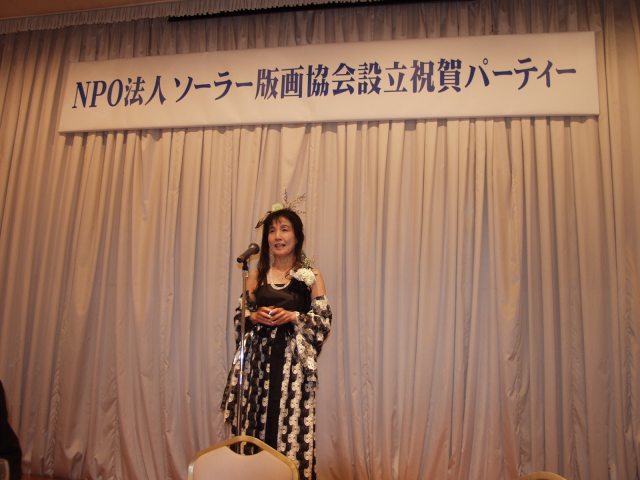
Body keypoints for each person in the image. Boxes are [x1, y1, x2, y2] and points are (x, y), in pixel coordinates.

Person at [221, 203, 332, 480]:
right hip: (257, 366)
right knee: (255, 426)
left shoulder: (311, 275)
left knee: (288, 432)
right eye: (272, 231)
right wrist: (254, 316)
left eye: (284, 229)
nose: (277, 236)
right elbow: (239, 318)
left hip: (292, 369)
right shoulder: (255, 276)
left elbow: (323, 321)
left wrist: (294, 317)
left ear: (297, 236)